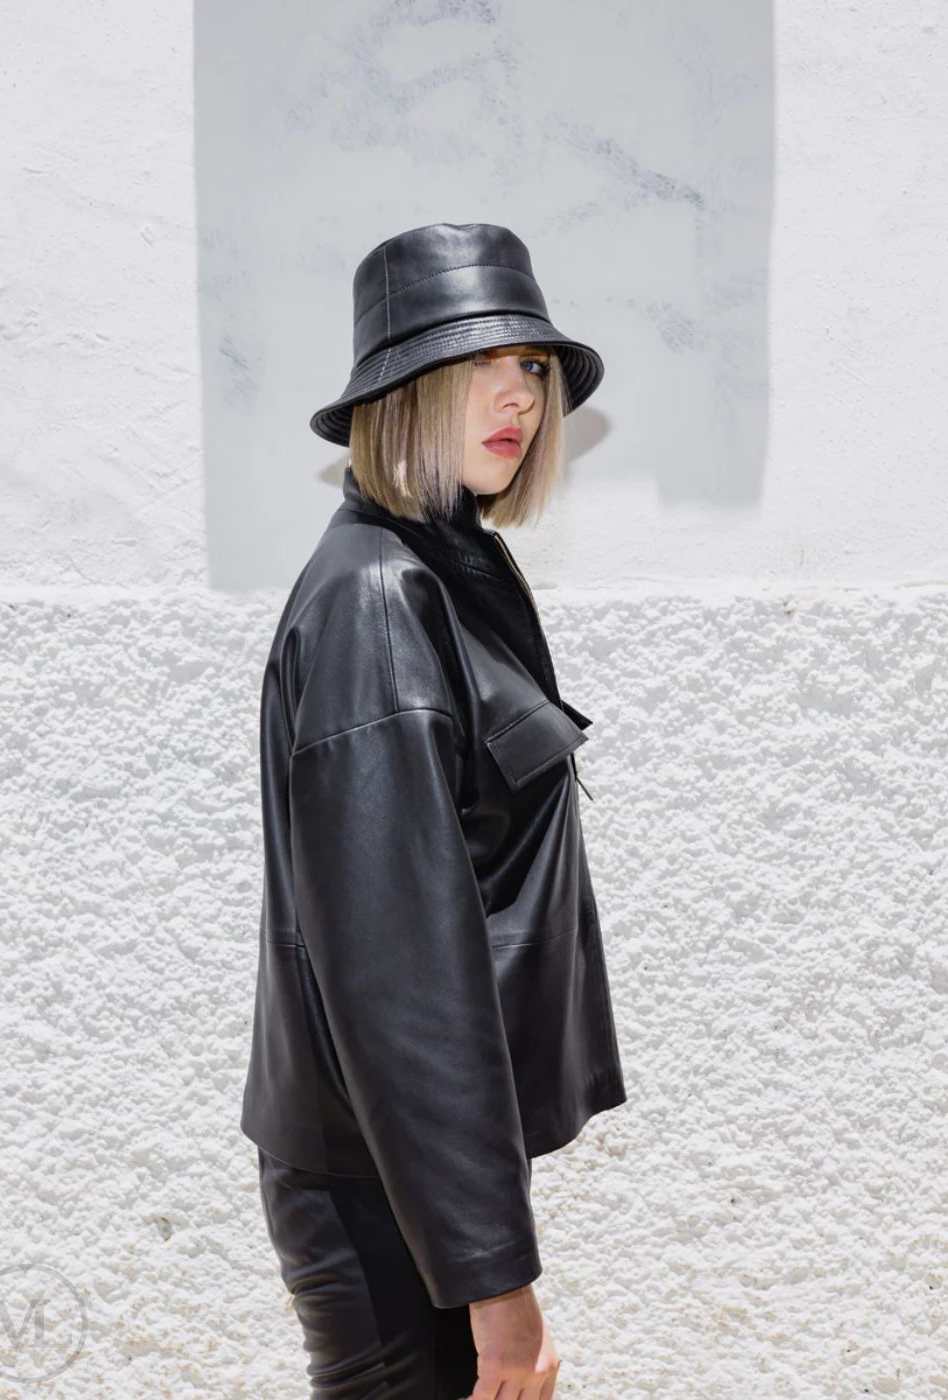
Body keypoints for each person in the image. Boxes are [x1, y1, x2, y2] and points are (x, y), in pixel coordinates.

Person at [240, 222, 628, 1398]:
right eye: (478, 365)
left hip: (411, 1176)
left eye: (532, 368)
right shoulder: (377, 600)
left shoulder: (448, 562)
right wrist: (498, 1292)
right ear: (401, 392)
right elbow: (402, 972)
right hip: (381, 1197)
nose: (516, 395)